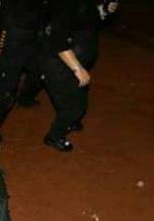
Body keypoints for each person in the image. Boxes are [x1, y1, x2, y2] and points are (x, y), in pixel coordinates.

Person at [40, 0, 117, 152]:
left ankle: (70, 119)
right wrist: (78, 69)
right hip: (59, 65)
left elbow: (87, 20)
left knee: (78, 97)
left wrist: (104, 11)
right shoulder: (64, 5)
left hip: (72, 63)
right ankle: (54, 136)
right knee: (75, 108)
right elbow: (59, 43)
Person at [0, 0, 46, 143]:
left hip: (34, 36)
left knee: (40, 72)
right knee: (6, 87)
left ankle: (25, 99)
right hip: (14, 38)